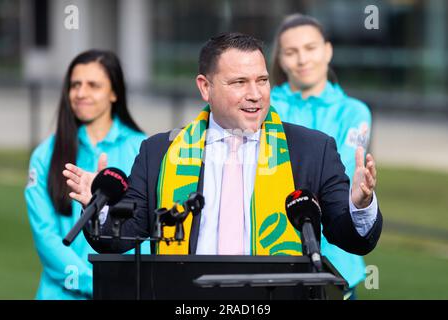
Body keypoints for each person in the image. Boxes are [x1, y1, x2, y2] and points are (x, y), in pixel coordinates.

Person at [63, 33, 382, 262]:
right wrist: (99, 204)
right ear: (205, 87)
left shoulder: (312, 150)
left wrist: (360, 204)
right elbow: (122, 236)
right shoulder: (159, 152)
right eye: (239, 82)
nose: (255, 94)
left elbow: (351, 237)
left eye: (262, 80)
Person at [24, 50, 148, 300]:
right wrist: (96, 284)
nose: (81, 93)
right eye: (75, 85)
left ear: (114, 93)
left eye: (93, 85)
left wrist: (125, 286)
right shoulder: (44, 155)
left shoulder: (143, 149)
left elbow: (145, 233)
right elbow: (46, 237)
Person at [270, 13, 372, 299]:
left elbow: (340, 180)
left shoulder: (354, 112)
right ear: (280, 59)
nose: (302, 60)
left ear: (328, 50)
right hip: (273, 248)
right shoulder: (263, 103)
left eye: (310, 48)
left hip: (336, 258)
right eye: (291, 52)